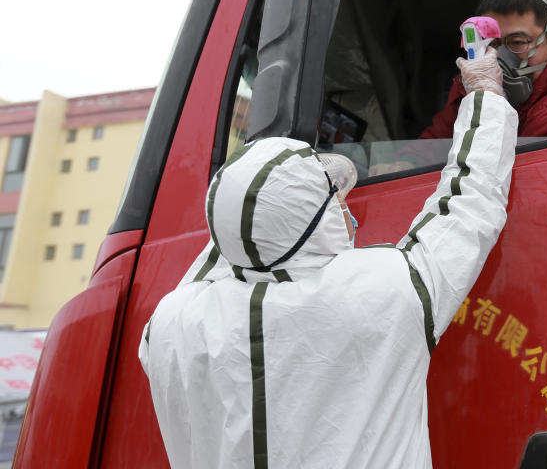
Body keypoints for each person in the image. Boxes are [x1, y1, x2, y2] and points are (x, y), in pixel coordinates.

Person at [138, 46, 517, 469]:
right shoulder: (388, 290)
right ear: (315, 221)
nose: (343, 207)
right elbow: (470, 202)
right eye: (332, 199)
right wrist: (484, 93)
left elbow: (233, 238)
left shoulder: (168, 326)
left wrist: (257, 197)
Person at [420, 0, 547, 139]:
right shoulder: (471, 87)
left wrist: (487, 103)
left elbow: (495, 163)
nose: (499, 56)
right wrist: (408, 161)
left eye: (517, 42)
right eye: (492, 43)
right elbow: (433, 142)